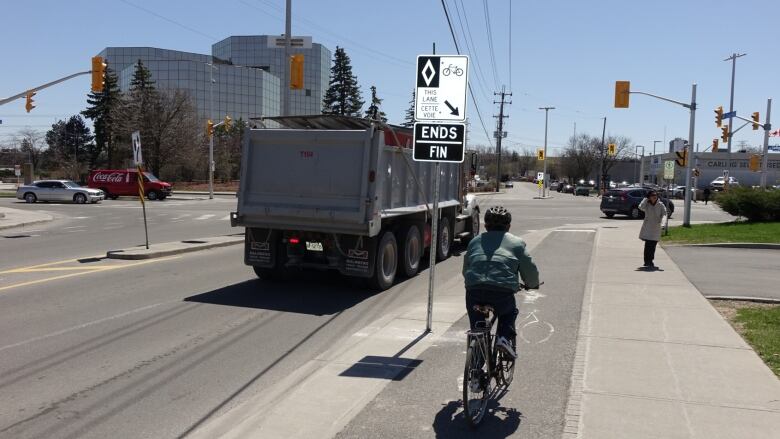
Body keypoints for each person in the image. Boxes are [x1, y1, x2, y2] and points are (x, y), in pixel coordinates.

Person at [462, 206, 540, 359]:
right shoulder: (516, 243)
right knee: (508, 313)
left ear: (485, 226)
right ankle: (503, 338)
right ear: (509, 226)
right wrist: (532, 284)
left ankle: (476, 369)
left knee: (477, 326)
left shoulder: (474, 241)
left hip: (474, 290)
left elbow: (466, 269)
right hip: (502, 292)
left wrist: (473, 281)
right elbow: (529, 269)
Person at [638, 190, 667, 269]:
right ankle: (646, 261)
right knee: (647, 245)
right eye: (652, 195)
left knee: (653, 245)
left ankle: (650, 260)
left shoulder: (661, 205)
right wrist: (645, 199)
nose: (654, 196)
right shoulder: (646, 204)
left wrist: (663, 224)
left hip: (656, 227)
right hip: (648, 227)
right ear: (649, 197)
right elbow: (640, 207)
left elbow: (664, 215)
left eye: (655, 195)